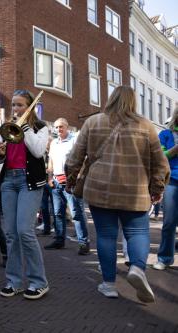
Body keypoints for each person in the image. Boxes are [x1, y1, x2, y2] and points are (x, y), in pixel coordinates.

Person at [65, 86, 169, 302]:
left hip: (100, 188)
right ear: (133, 102)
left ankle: (109, 284)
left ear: (110, 99)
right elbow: (161, 163)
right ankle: (138, 268)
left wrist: (71, 180)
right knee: (138, 232)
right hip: (135, 190)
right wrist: (157, 189)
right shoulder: (145, 125)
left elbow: (74, 157)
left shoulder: (93, 123)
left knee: (106, 236)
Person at [0, 89, 49, 300]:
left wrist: (25, 127)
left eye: (20, 105)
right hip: (8, 180)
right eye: (14, 105)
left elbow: (37, 151)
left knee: (24, 231)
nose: (16, 109)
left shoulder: (40, 127)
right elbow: (0, 161)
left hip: (29, 181)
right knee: (10, 233)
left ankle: (39, 282)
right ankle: (14, 281)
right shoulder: (7, 129)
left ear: (30, 107)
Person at [44, 118, 90, 254]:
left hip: (70, 183)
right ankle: (59, 240)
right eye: (56, 127)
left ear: (67, 127)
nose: (58, 130)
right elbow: (50, 161)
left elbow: (84, 160)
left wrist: (77, 178)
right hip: (56, 183)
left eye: (61, 127)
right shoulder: (53, 143)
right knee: (58, 213)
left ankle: (83, 243)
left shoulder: (74, 140)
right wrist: (50, 178)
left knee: (76, 213)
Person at [153, 107, 178, 271]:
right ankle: (165, 258)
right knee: (169, 222)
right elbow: (161, 157)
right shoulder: (165, 134)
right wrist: (175, 150)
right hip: (172, 181)